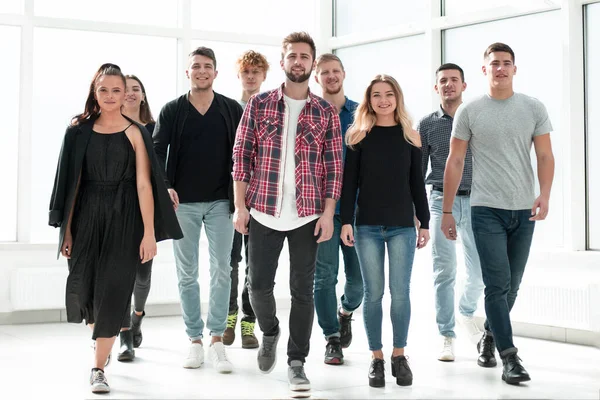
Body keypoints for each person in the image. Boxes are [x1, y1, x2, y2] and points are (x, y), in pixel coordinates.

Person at [48, 63, 182, 394]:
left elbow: (144, 185)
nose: (110, 96)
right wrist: (66, 231)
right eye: (103, 90)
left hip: (126, 219)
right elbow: (72, 184)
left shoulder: (136, 131)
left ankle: (97, 368)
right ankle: (101, 345)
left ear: (126, 94)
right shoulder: (77, 131)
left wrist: (149, 232)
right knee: (89, 295)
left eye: (116, 90)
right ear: (95, 92)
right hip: (85, 218)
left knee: (115, 289)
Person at [232, 32, 343, 393]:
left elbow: (333, 167)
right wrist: (239, 206)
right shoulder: (259, 104)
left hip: (307, 214)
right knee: (257, 287)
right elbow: (241, 157)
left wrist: (328, 214)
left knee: (303, 291)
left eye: (304, 56)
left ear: (312, 64)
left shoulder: (325, 111)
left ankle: (297, 361)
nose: (298, 61)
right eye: (292, 55)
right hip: (262, 211)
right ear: (282, 62)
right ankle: (270, 331)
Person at [441, 42, 554, 384]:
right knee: (496, 285)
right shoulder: (470, 111)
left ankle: (490, 335)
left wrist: (545, 194)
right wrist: (446, 210)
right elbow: (455, 160)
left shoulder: (533, 107)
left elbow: (545, 156)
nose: (501, 68)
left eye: (506, 63)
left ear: (514, 69)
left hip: (523, 210)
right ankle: (510, 358)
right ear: (484, 70)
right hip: (485, 208)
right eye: (494, 63)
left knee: (512, 286)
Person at [153, 47, 243, 373]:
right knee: (187, 273)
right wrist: (165, 186)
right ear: (187, 72)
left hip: (222, 202)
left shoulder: (232, 109)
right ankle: (194, 340)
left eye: (207, 66)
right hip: (183, 204)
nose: (201, 71)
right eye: (195, 66)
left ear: (216, 73)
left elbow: (245, 154)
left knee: (222, 269)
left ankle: (217, 339)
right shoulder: (172, 111)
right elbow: (154, 152)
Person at [340, 74, 430, 388]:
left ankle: (399, 355)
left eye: (388, 94)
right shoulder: (357, 136)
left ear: (397, 98)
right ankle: (376, 358)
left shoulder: (411, 136)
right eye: (376, 95)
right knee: (373, 295)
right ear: (369, 100)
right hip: (366, 226)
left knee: (401, 294)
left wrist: (425, 221)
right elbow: (348, 184)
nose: (383, 100)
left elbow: (417, 184)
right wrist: (346, 221)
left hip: (403, 226)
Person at [417, 63, 484, 362]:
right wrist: (417, 213)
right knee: (444, 269)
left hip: (479, 201)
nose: (448, 85)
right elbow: (418, 171)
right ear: (436, 87)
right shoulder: (427, 124)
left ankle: (466, 312)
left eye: (454, 80)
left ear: (464, 86)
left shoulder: (478, 119)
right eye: (442, 81)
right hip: (440, 200)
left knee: (480, 272)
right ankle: (446, 335)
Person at [313, 53, 362, 365]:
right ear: (317, 78)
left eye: (335, 71)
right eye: (324, 72)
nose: (330, 76)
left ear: (344, 73)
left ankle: (345, 311)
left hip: (357, 210)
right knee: (324, 276)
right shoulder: (310, 112)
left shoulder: (361, 113)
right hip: (321, 211)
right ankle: (331, 337)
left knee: (359, 281)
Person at [224, 50, 269, 349]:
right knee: (229, 263)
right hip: (230, 197)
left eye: (256, 71)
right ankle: (228, 318)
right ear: (238, 75)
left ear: (264, 76)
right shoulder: (227, 109)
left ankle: (248, 324)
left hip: (262, 198)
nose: (251, 76)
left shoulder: (269, 109)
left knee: (255, 265)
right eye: (246, 71)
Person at [117, 74, 158, 361]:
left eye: (136, 89)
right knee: (118, 275)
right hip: (115, 208)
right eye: (126, 89)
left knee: (142, 276)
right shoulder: (108, 127)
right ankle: (123, 334)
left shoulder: (155, 129)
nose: (131, 94)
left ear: (143, 95)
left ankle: (138, 315)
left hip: (147, 208)